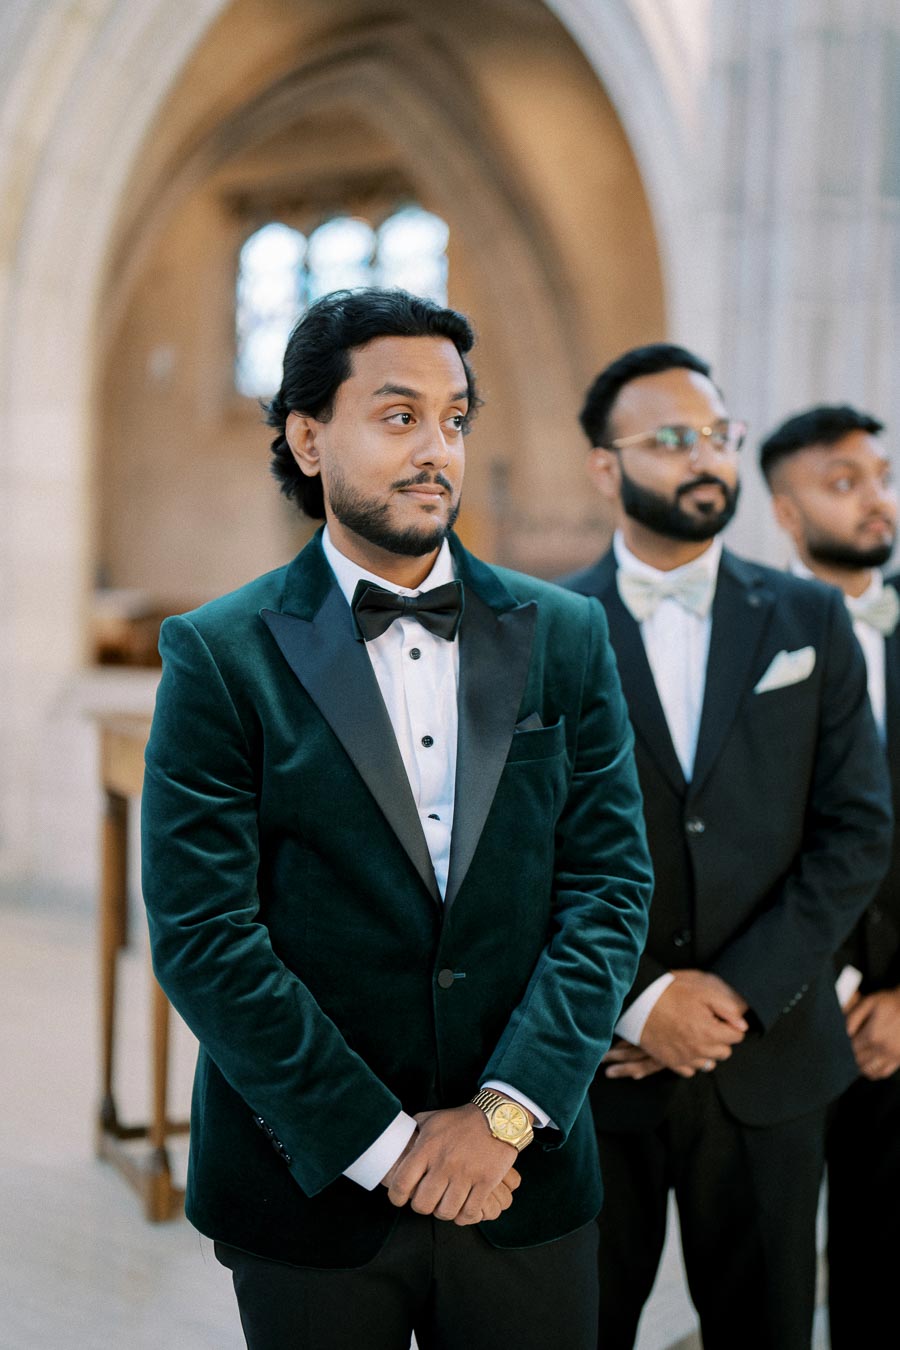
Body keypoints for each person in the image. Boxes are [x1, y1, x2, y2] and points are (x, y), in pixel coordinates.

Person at [140, 288, 653, 1350]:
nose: (437, 450)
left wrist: (503, 1118)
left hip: (527, 1184)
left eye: (456, 419)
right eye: (398, 414)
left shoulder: (568, 635)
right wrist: (383, 1145)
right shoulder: (218, 654)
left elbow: (608, 891)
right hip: (310, 1187)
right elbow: (203, 936)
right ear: (309, 436)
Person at [559, 344, 893, 1350]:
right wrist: (642, 1000)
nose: (704, 459)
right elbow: (523, 851)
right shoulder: (543, 627)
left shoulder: (809, 618)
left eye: (716, 436)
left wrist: (737, 993)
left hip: (772, 1057)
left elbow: (856, 827)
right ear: (606, 468)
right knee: (581, 1329)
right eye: (670, 440)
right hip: (597, 1069)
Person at [760, 403, 900, 1350]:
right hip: (784, 1007)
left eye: (881, 477)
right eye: (842, 483)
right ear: (784, 510)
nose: (875, 501)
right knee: (762, 1280)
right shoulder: (749, 637)